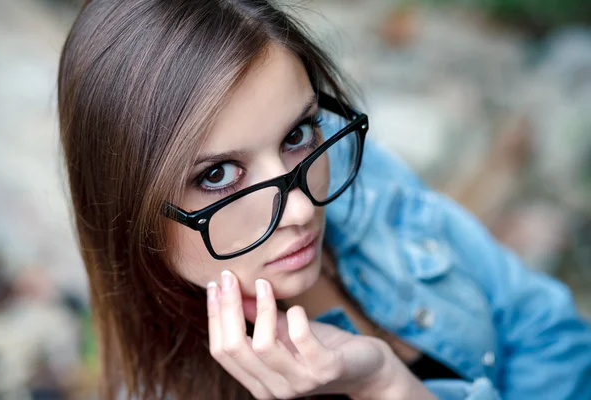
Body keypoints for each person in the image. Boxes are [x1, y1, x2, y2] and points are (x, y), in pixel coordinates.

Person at [57, 0, 591, 399]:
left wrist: (390, 382)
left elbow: (550, 333)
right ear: (132, 216)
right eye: (218, 175)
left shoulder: (347, 163)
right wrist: (380, 386)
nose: (303, 208)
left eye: (296, 134)